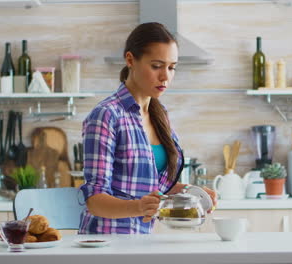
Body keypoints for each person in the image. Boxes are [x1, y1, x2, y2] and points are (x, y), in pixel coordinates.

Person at [79, 22, 217, 234]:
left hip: (142, 240)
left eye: (171, 67)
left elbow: (154, 187)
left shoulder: (159, 116)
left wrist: (192, 192)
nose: (165, 77)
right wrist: (138, 207)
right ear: (130, 60)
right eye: (156, 66)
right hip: (106, 242)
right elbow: (94, 200)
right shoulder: (106, 115)